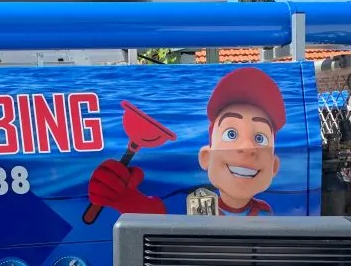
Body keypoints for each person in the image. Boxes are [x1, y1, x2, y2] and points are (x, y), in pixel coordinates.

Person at [87, 66, 285, 217]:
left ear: (274, 166)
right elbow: (161, 222)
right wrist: (128, 200)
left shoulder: (264, 212)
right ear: (206, 157)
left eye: (260, 138)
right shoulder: (198, 208)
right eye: (231, 134)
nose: (246, 148)